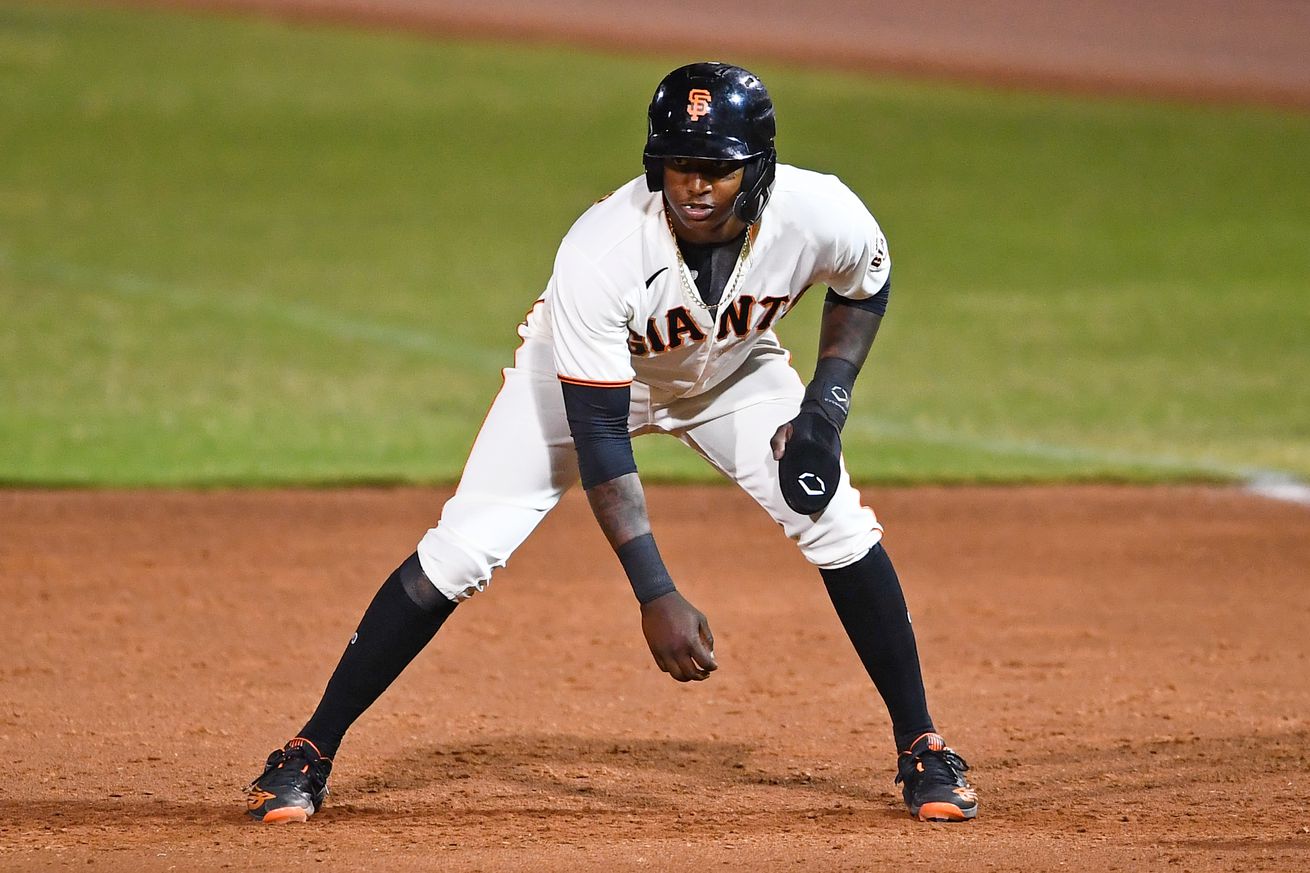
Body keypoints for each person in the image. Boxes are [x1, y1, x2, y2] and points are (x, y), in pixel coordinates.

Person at [245, 61, 978, 824]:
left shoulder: (820, 211)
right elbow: (599, 433)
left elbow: (866, 283)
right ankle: (308, 749)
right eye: (677, 165)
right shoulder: (603, 248)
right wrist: (653, 590)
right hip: (577, 384)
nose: (693, 186)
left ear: (756, 171)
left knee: (837, 522)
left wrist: (824, 412)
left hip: (731, 372)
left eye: (717, 170)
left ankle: (922, 746)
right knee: (461, 552)